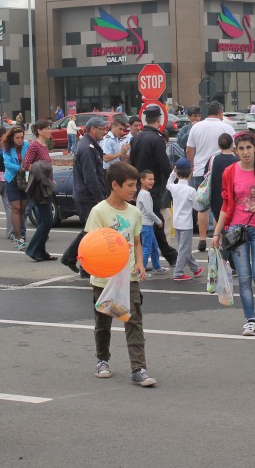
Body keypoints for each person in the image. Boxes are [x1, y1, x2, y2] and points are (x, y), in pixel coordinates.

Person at [87, 162, 156, 387]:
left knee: (133, 321)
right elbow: (90, 245)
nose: (134, 189)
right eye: (130, 185)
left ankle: (139, 369)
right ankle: (102, 360)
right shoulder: (99, 211)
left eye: (135, 185)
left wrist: (140, 264)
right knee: (103, 322)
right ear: (114, 185)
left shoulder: (134, 212)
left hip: (129, 278)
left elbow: (136, 242)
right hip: (104, 279)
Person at [211, 131, 255, 336]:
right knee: (243, 278)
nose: (245, 152)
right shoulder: (229, 172)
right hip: (236, 230)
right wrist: (217, 233)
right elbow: (226, 203)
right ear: (235, 150)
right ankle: (250, 320)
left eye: (248, 148)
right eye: (240, 149)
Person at [130, 106, 178, 267]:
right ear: (159, 120)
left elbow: (131, 163)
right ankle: (168, 254)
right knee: (154, 220)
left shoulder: (136, 138)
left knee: (146, 221)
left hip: (139, 184)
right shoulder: (156, 139)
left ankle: (167, 254)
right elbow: (164, 165)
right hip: (154, 186)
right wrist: (174, 181)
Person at [61, 117, 109, 274]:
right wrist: (100, 199)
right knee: (91, 232)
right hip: (87, 197)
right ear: (93, 129)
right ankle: (70, 257)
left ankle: (84, 266)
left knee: (92, 232)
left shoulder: (90, 145)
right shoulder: (87, 148)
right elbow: (91, 177)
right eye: (102, 129)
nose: (105, 132)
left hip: (88, 195)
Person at [186, 101, 235, 252]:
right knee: (220, 206)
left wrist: (192, 165)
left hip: (200, 170)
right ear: (220, 112)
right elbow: (234, 148)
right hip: (221, 170)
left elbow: (189, 149)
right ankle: (216, 236)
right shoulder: (226, 127)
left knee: (202, 206)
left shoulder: (196, 126)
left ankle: (201, 239)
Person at [22, 120, 55, 261]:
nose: (49, 130)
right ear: (39, 131)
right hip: (38, 187)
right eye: (47, 128)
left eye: (50, 128)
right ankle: (32, 249)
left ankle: (41, 251)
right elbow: (25, 165)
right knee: (47, 220)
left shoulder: (44, 145)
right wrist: (39, 171)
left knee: (44, 220)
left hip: (46, 185)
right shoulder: (34, 145)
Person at [167, 158, 203, 281]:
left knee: (184, 248)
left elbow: (169, 182)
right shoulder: (191, 190)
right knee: (184, 249)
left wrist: (173, 171)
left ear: (177, 173)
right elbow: (198, 206)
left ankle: (195, 268)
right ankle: (178, 272)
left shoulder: (173, 187)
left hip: (176, 222)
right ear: (190, 174)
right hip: (186, 224)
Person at [1, 126, 29, 251]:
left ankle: (22, 234)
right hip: (11, 179)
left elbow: (31, 159)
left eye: (22, 137)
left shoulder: (27, 145)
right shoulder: (7, 148)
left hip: (25, 179)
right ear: (12, 138)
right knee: (16, 208)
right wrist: (21, 168)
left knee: (23, 208)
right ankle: (18, 237)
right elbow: (7, 163)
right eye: (17, 138)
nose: (20, 140)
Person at [137, 170, 165, 275]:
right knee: (146, 249)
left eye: (153, 179)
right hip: (146, 225)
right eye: (149, 179)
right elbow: (149, 211)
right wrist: (158, 221)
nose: (152, 181)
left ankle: (157, 267)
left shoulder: (143, 193)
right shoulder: (145, 194)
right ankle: (141, 271)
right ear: (142, 180)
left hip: (147, 225)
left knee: (154, 246)